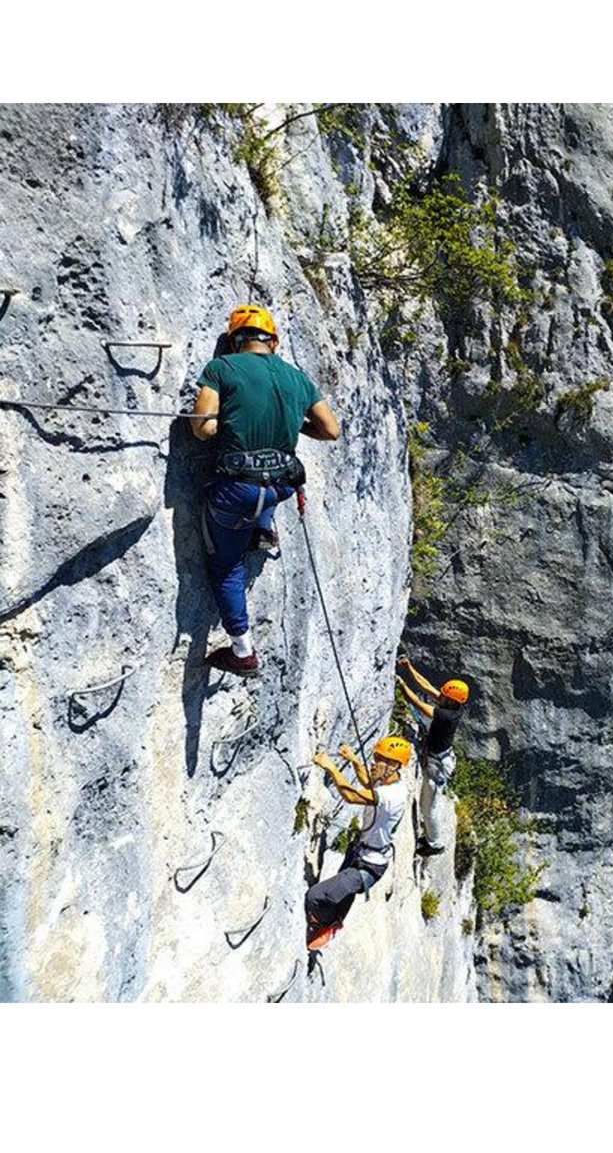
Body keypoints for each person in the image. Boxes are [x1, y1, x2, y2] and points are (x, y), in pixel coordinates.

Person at [190, 304, 341, 677]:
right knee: (265, 490)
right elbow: (330, 430)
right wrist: (296, 424)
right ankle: (262, 529)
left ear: (234, 341)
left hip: (238, 490)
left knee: (226, 567)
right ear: (274, 341)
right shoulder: (297, 378)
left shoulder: (222, 368)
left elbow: (202, 428)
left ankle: (242, 652)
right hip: (279, 487)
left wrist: (228, 420)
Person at [304, 735, 414, 951]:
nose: (373, 762)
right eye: (375, 757)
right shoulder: (388, 781)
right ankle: (334, 920)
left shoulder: (393, 795)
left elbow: (351, 796)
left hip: (370, 865)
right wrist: (354, 760)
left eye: (379, 759)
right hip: (359, 853)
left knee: (315, 897)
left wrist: (330, 767)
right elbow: (367, 782)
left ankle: (328, 925)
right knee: (341, 895)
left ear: (394, 766)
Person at [396, 656, 469, 856]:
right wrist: (409, 667)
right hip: (440, 757)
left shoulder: (447, 715)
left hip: (438, 767)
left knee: (429, 808)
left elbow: (418, 704)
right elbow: (426, 686)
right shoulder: (453, 705)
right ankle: (431, 837)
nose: (440, 695)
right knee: (428, 805)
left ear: (451, 700)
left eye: (444, 695)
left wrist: (401, 686)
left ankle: (436, 844)